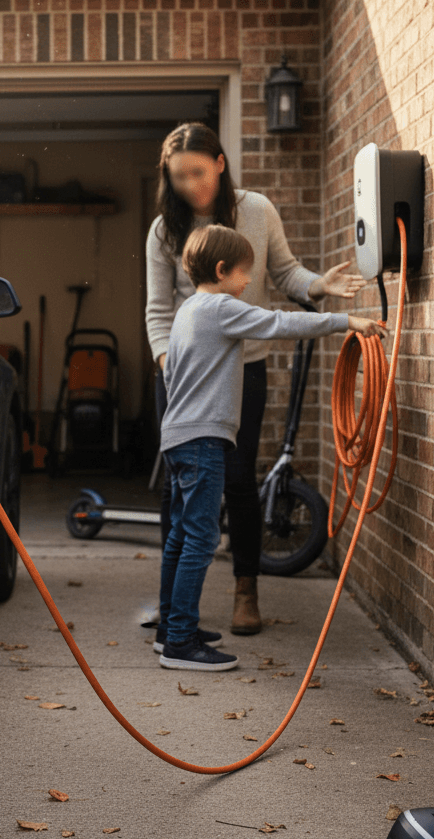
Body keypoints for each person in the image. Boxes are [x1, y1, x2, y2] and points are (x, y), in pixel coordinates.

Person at [146, 122, 366, 638]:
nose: (189, 185)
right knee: (180, 490)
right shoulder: (164, 230)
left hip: (243, 368)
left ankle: (246, 590)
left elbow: (285, 277)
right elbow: (159, 312)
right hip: (180, 374)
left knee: (239, 478)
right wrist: (168, 365)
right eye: (178, 177)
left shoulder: (258, 211)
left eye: (197, 173)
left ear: (220, 164)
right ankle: (176, 605)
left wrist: (320, 286)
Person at [157, 225, 385, 671]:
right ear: (222, 271)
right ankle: (180, 643)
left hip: (178, 436)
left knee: (181, 535)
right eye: (245, 275)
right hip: (202, 440)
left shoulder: (187, 311)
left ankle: (171, 626)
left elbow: (172, 378)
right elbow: (281, 323)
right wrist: (346, 321)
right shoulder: (221, 308)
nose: (247, 284)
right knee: (202, 539)